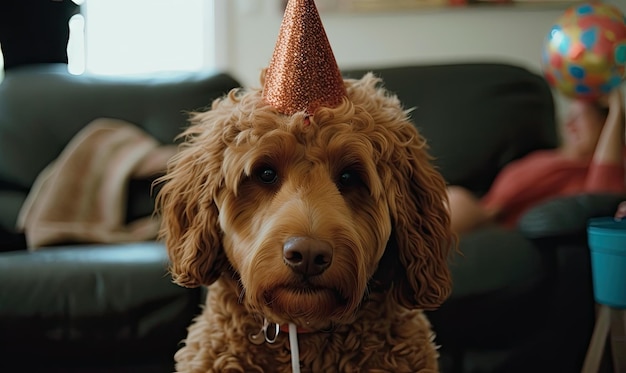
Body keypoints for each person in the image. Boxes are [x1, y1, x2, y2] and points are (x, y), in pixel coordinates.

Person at [448, 88, 626, 235]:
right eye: (568, 118)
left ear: (606, 123)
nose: (569, 125)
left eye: (578, 117)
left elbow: (602, 200)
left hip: (495, 226)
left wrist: (616, 110)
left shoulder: (608, 168)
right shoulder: (550, 157)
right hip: (479, 210)